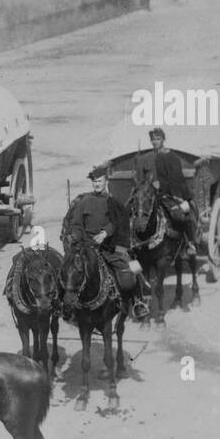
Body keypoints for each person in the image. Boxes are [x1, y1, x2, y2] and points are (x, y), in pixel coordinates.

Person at [61, 167, 152, 320]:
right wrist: (76, 235)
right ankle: (65, 305)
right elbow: (76, 224)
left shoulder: (113, 202)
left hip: (109, 247)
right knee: (68, 269)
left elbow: (119, 222)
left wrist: (105, 233)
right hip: (87, 247)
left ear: (106, 181)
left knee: (133, 265)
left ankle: (138, 300)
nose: (97, 184)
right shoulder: (83, 202)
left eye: (100, 181)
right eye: (94, 181)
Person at [139, 127, 196, 238]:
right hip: (148, 197)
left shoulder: (172, 157)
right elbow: (141, 181)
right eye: (153, 139)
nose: (155, 142)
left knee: (180, 216)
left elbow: (179, 180)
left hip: (169, 196)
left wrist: (187, 198)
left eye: (158, 139)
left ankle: (189, 243)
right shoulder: (145, 159)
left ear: (163, 139)